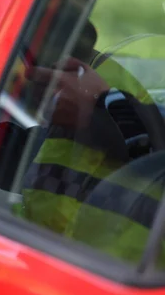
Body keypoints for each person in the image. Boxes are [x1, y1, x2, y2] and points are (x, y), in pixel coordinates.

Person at [21, 21, 165, 265]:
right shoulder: (128, 59)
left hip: (122, 266)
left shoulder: (123, 69)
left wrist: (98, 105)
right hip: (52, 251)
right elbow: (61, 155)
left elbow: (147, 149)